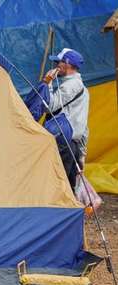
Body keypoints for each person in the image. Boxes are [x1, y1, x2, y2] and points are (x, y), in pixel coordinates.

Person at [42, 48, 90, 190]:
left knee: (58, 186)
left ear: (68, 64)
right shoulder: (83, 89)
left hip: (63, 143)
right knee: (69, 187)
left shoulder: (70, 86)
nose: (56, 65)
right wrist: (81, 154)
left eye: (59, 62)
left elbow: (49, 106)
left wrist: (48, 83)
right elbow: (84, 126)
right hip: (73, 145)